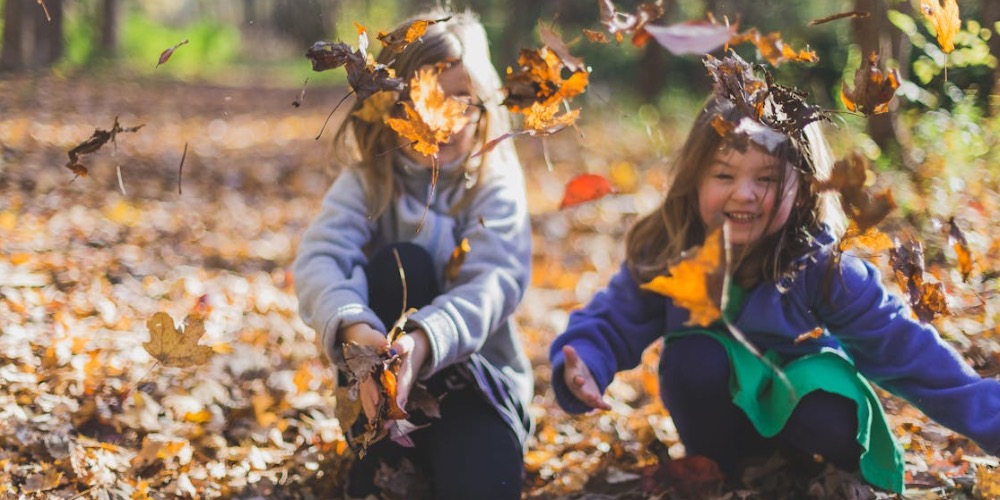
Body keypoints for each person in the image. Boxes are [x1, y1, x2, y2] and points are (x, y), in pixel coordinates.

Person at [548, 58, 1000, 494]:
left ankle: (821, 474)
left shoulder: (824, 267)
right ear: (695, 178)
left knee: (823, 398)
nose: (743, 193)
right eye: (724, 174)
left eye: (766, 179)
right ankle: (725, 470)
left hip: (810, 419)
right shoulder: (670, 248)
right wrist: (587, 360)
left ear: (802, 187)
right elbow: (613, 318)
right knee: (694, 356)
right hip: (720, 426)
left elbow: (909, 353)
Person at [294, 10, 531, 499]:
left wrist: (423, 343)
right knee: (402, 263)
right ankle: (383, 452)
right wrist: (359, 334)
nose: (437, 116)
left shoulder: (493, 186)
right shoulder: (366, 184)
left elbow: (495, 282)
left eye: (457, 99)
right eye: (419, 97)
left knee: (484, 484)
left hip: (476, 389)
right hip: (378, 394)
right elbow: (322, 259)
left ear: (481, 102)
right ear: (386, 104)